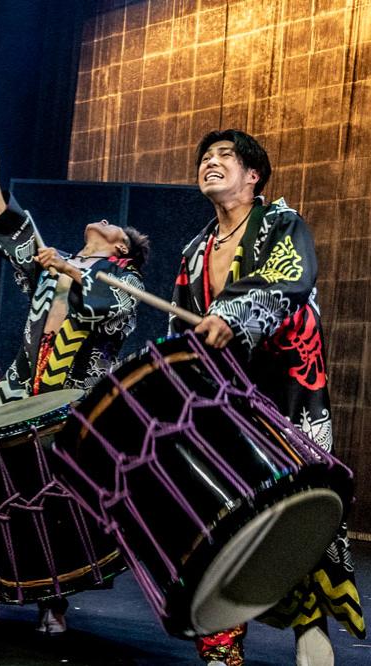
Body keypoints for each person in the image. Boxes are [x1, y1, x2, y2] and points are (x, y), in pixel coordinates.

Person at [0, 137, 150, 635]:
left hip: (73, 405)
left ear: (121, 247)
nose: (102, 217)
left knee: (59, 505)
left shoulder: (124, 280)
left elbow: (107, 308)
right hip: (17, 392)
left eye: (113, 225)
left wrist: (68, 268)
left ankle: (52, 602)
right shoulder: (54, 265)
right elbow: (13, 229)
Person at [170, 129, 365, 666]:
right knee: (221, 518)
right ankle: (221, 644)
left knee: (304, 512)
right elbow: (178, 329)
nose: (210, 162)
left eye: (224, 157)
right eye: (204, 157)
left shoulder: (282, 224)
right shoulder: (192, 251)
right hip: (226, 403)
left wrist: (231, 316)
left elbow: (289, 282)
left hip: (290, 394)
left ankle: (310, 622)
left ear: (253, 175)